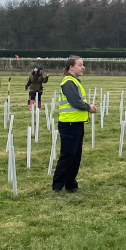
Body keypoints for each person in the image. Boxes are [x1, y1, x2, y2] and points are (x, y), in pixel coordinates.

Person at [52, 56, 97, 193]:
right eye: (80, 65)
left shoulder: (74, 81)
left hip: (76, 124)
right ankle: (58, 185)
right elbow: (75, 101)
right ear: (71, 67)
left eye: (83, 65)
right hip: (69, 124)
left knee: (76, 156)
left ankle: (71, 184)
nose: (83, 67)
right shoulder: (69, 82)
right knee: (67, 156)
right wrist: (89, 107)